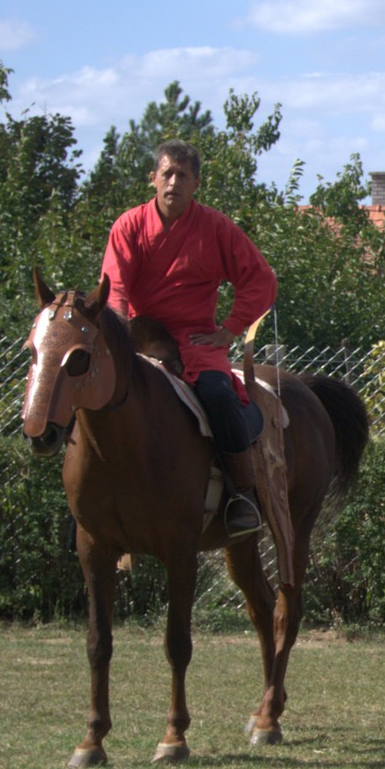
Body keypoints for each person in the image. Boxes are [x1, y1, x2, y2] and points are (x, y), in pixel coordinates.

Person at [102, 139, 277, 539]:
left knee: (217, 394)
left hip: (197, 342)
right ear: (153, 178)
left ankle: (242, 494)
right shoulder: (128, 226)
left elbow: (260, 278)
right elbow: (115, 288)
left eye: (182, 175)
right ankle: (87, 502)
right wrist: (119, 332)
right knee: (92, 391)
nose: (173, 182)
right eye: (167, 173)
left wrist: (230, 327)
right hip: (140, 339)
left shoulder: (216, 227)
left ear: (196, 183)